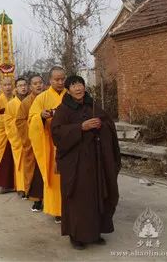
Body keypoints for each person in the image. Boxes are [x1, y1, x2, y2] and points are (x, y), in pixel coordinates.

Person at [51, 76, 121, 250]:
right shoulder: (63, 109)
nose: (78, 88)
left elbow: (108, 124)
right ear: (68, 89)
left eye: (80, 84)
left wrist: (101, 125)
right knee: (78, 198)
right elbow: (57, 133)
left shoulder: (93, 105)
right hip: (76, 162)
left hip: (96, 160)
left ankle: (95, 232)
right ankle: (76, 235)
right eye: (73, 85)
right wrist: (80, 127)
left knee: (97, 194)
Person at [28, 66, 67, 224]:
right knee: (55, 178)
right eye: (56, 79)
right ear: (50, 80)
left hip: (70, 142)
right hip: (50, 144)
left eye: (62, 79)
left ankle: (69, 208)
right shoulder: (42, 98)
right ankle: (57, 210)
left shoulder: (70, 95)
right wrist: (41, 117)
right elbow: (31, 119)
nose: (60, 82)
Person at [16, 75, 45, 212]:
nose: (38, 85)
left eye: (40, 83)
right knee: (36, 172)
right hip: (33, 142)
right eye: (35, 83)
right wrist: (32, 133)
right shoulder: (26, 102)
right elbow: (20, 122)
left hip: (48, 142)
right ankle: (37, 200)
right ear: (30, 86)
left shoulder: (48, 98)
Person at [4, 78, 29, 197]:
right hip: (18, 138)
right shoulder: (11, 104)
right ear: (16, 88)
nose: (23, 87)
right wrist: (21, 123)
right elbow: (8, 122)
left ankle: (31, 187)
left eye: (25, 85)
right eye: (20, 85)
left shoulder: (32, 101)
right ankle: (21, 187)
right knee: (20, 163)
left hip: (31, 137)